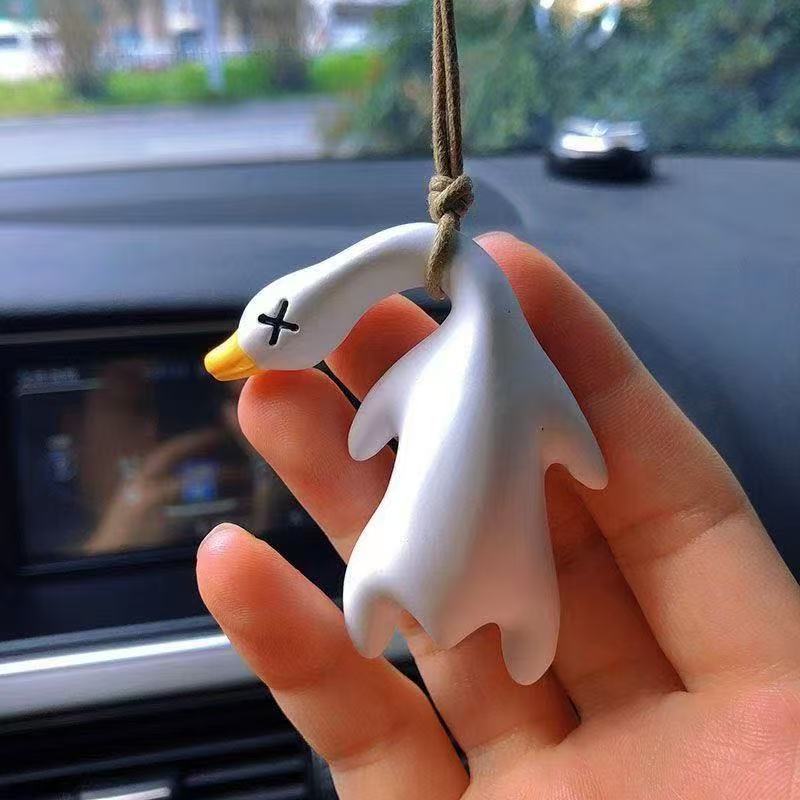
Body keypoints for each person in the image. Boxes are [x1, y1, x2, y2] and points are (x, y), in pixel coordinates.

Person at [196, 233, 800, 799]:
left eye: (267, 333)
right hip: (459, 560)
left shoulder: (454, 358)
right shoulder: (479, 356)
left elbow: (369, 433)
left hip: (433, 557)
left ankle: (438, 600)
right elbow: (563, 438)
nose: (230, 360)